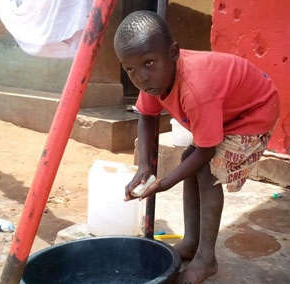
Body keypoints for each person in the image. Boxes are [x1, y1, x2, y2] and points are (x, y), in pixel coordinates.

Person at [114, 10, 280, 284]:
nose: (140, 77)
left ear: (174, 53)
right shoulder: (155, 78)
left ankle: (206, 259)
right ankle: (191, 242)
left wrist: (165, 182)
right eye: (130, 69)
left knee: (206, 171)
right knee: (189, 158)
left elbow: (206, 151)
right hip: (228, 108)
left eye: (148, 63)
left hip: (255, 111)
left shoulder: (196, 89)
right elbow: (147, 116)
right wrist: (144, 165)